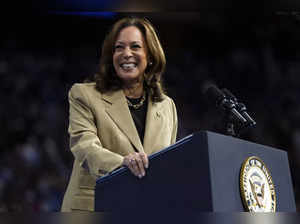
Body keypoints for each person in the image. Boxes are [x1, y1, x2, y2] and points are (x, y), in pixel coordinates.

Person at [61, 17, 178, 212]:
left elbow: (169, 164)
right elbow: (84, 147)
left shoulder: (167, 106)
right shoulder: (84, 94)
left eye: (135, 46)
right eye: (119, 48)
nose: (126, 54)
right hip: (95, 208)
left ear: (150, 56)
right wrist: (122, 162)